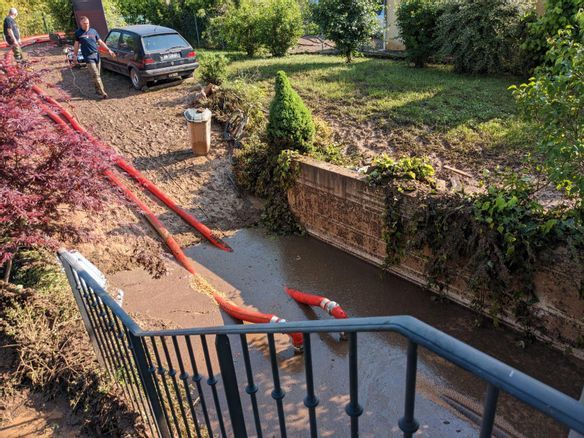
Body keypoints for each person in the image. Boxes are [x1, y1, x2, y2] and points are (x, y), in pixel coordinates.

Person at [73, 16, 115, 99]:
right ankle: (103, 93)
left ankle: (97, 90)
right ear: (81, 24)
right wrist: (75, 55)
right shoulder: (78, 33)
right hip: (88, 57)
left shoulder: (93, 31)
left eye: (88, 23)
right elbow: (76, 45)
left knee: (97, 74)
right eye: (85, 24)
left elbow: (100, 42)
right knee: (96, 75)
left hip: (96, 55)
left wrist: (108, 50)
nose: (87, 25)